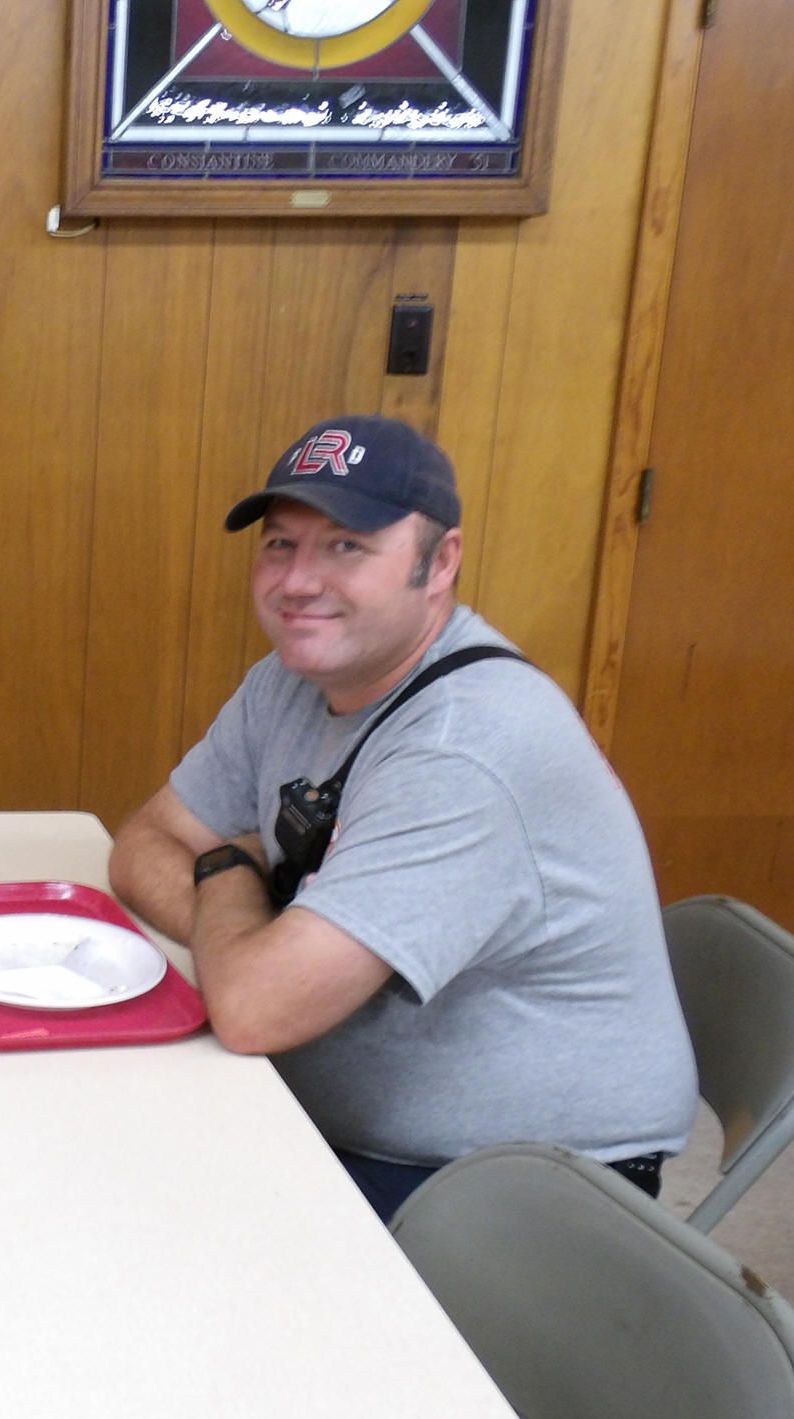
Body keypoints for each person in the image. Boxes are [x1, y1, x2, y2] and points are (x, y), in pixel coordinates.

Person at [108, 415, 697, 1219]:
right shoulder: (291, 680)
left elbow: (251, 1010)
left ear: (440, 562)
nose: (298, 581)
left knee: (147, 1228)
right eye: (280, 544)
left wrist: (227, 875)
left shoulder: (463, 749)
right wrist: (240, 917)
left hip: (511, 1188)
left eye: (346, 546)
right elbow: (143, 846)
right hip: (318, 1110)